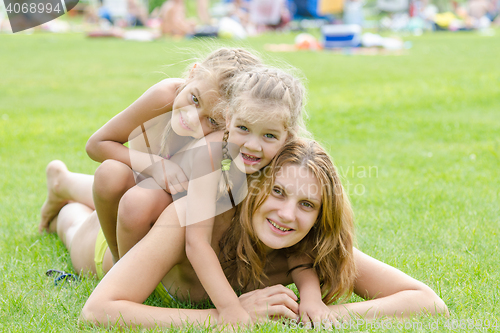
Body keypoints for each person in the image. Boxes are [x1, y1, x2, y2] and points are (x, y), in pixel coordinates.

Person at [40, 139, 448, 328]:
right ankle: (62, 184)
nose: (287, 215)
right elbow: (98, 311)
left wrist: (329, 314)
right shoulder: (193, 216)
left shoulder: (307, 244)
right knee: (76, 224)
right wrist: (222, 318)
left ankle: (66, 187)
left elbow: (428, 302)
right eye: (278, 192)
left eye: (307, 204)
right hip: (111, 253)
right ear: (254, 187)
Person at [39, 47, 263, 267]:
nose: (193, 119)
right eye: (194, 99)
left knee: (119, 200)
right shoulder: (165, 96)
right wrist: (155, 165)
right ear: (193, 73)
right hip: (129, 199)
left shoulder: (223, 138)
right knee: (101, 191)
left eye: (212, 121)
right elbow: (96, 144)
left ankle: (62, 184)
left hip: (146, 206)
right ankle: (63, 184)